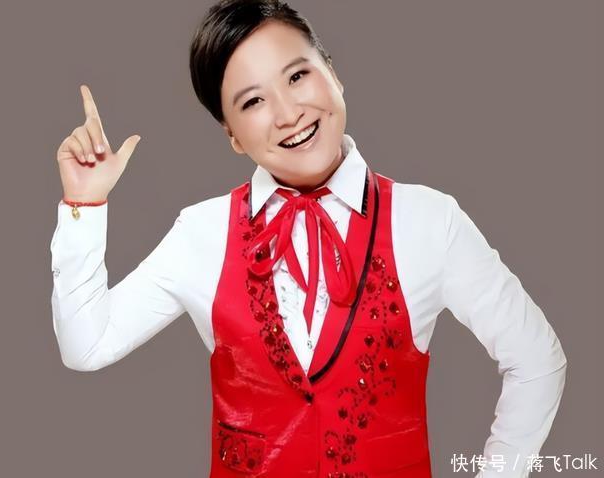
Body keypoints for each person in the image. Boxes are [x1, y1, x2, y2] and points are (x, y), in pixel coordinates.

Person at [50, 1, 567, 476]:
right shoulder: (201, 233)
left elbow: (537, 361)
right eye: (253, 101)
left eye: (297, 76)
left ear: (333, 74)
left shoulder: (429, 220)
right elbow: (88, 346)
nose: (288, 113)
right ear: (232, 135)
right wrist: (83, 206)